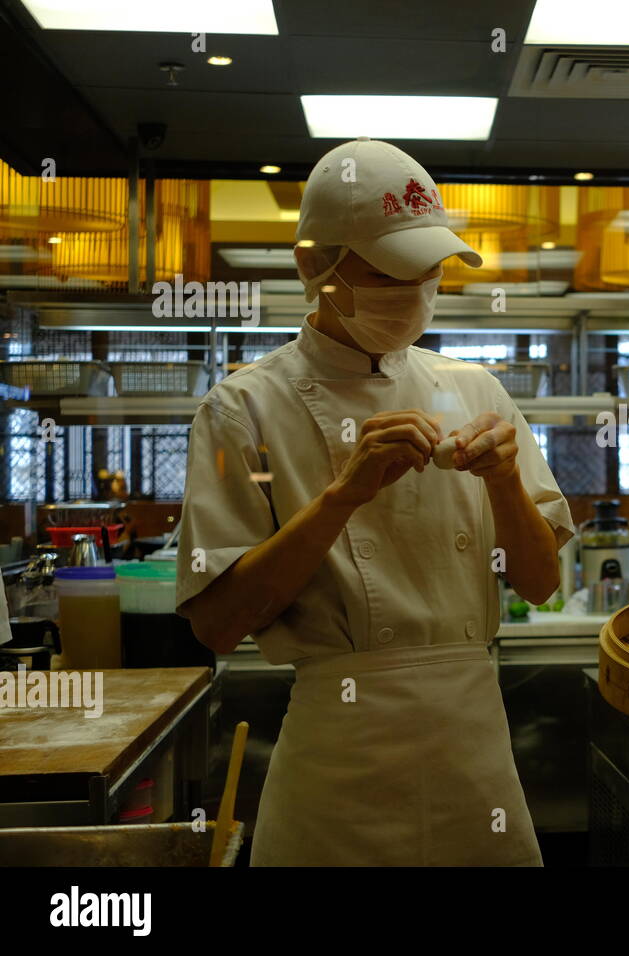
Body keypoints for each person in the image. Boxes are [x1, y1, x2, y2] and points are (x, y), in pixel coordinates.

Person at [176, 138, 574, 866]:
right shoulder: (245, 409)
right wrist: (343, 495)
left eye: (432, 271)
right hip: (339, 758)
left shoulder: (476, 390)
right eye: (392, 271)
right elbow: (217, 624)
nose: (417, 289)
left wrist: (505, 484)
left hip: (472, 742)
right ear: (313, 267)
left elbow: (542, 586)